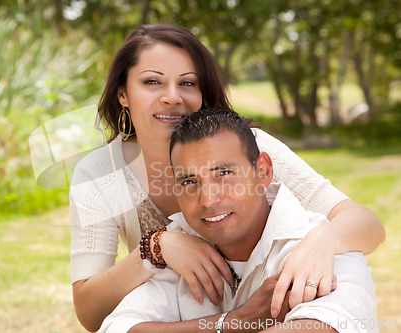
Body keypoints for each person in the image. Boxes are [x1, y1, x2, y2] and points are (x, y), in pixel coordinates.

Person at [69, 23, 384, 332]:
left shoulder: (252, 146)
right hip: (178, 312)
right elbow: (92, 315)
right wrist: (156, 249)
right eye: (152, 82)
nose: (172, 97)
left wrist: (323, 240)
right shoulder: (99, 174)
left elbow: (364, 223)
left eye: (188, 83)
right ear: (123, 94)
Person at [99, 108, 378, 333]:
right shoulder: (183, 249)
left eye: (224, 173)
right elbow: (119, 327)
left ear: (264, 171)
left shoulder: (321, 252)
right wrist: (237, 321)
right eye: (190, 181)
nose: (208, 199)